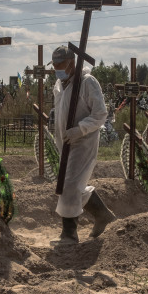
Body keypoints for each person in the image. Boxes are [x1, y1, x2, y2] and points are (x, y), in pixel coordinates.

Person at [51, 45, 115, 245]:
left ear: (71, 63)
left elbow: (100, 114)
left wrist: (80, 129)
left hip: (83, 141)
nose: (56, 68)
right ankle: (103, 216)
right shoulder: (59, 85)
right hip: (65, 141)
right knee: (74, 184)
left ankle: (69, 234)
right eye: (54, 65)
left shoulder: (87, 82)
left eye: (60, 64)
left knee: (69, 184)